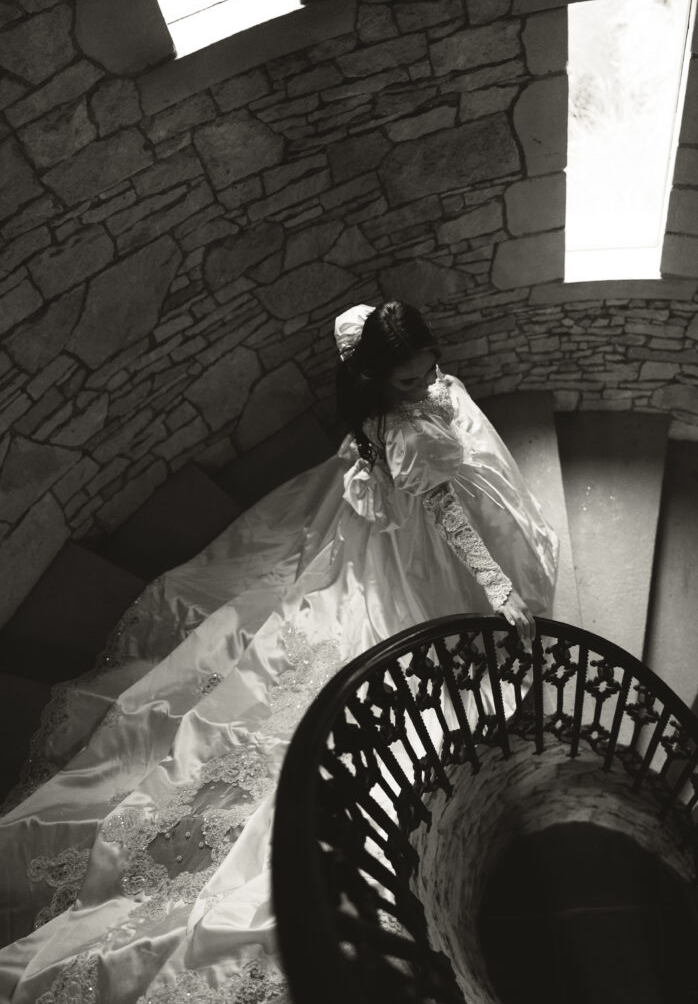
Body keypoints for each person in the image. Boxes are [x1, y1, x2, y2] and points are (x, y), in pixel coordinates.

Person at [0, 302, 558, 1003]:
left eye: (429, 368)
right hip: (426, 547)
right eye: (410, 378)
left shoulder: (402, 412)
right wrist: (498, 590)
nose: (427, 381)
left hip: (422, 509)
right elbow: (448, 519)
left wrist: (437, 404)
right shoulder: (405, 441)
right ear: (381, 381)